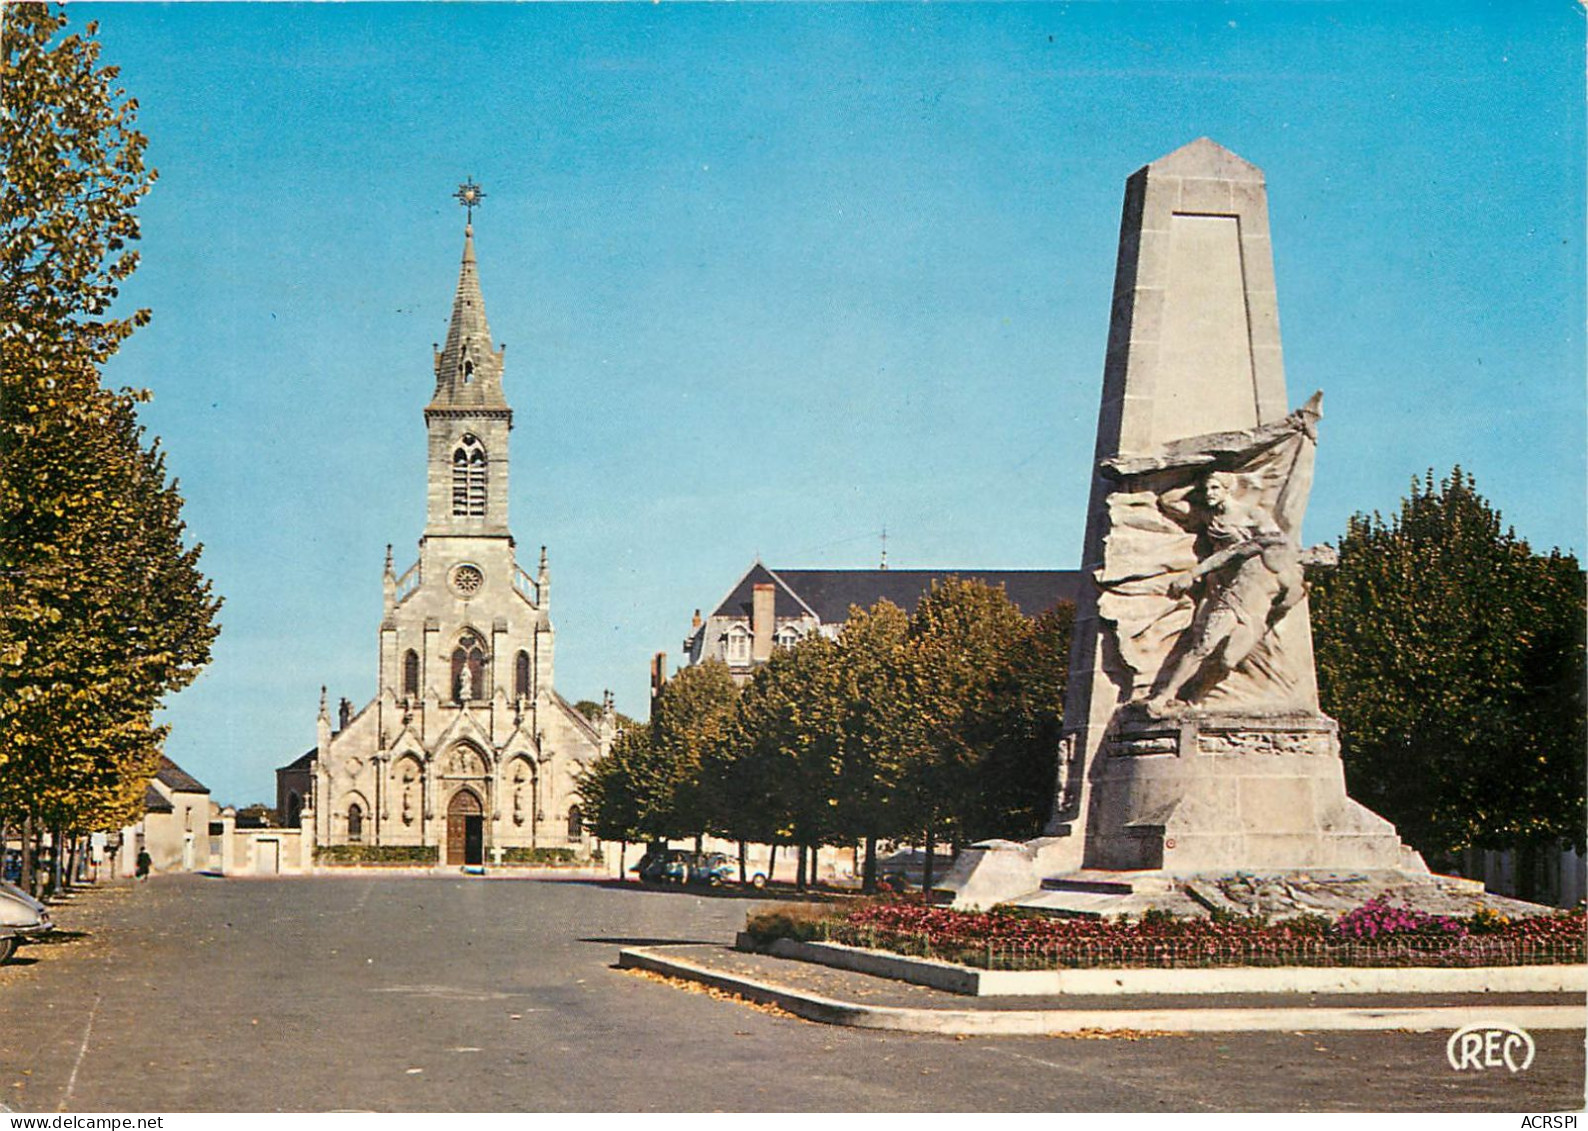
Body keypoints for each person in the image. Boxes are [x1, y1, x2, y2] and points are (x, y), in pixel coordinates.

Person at [1143, 470, 1305, 712]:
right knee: (1202, 643)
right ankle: (1166, 694)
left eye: (1214, 488)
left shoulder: (1255, 519)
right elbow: (1168, 501)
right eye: (1208, 489)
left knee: (1228, 659)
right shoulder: (1210, 516)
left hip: (1252, 599)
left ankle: (1197, 698)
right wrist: (1195, 483)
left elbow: (1282, 601)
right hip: (1225, 585)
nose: (1209, 494)